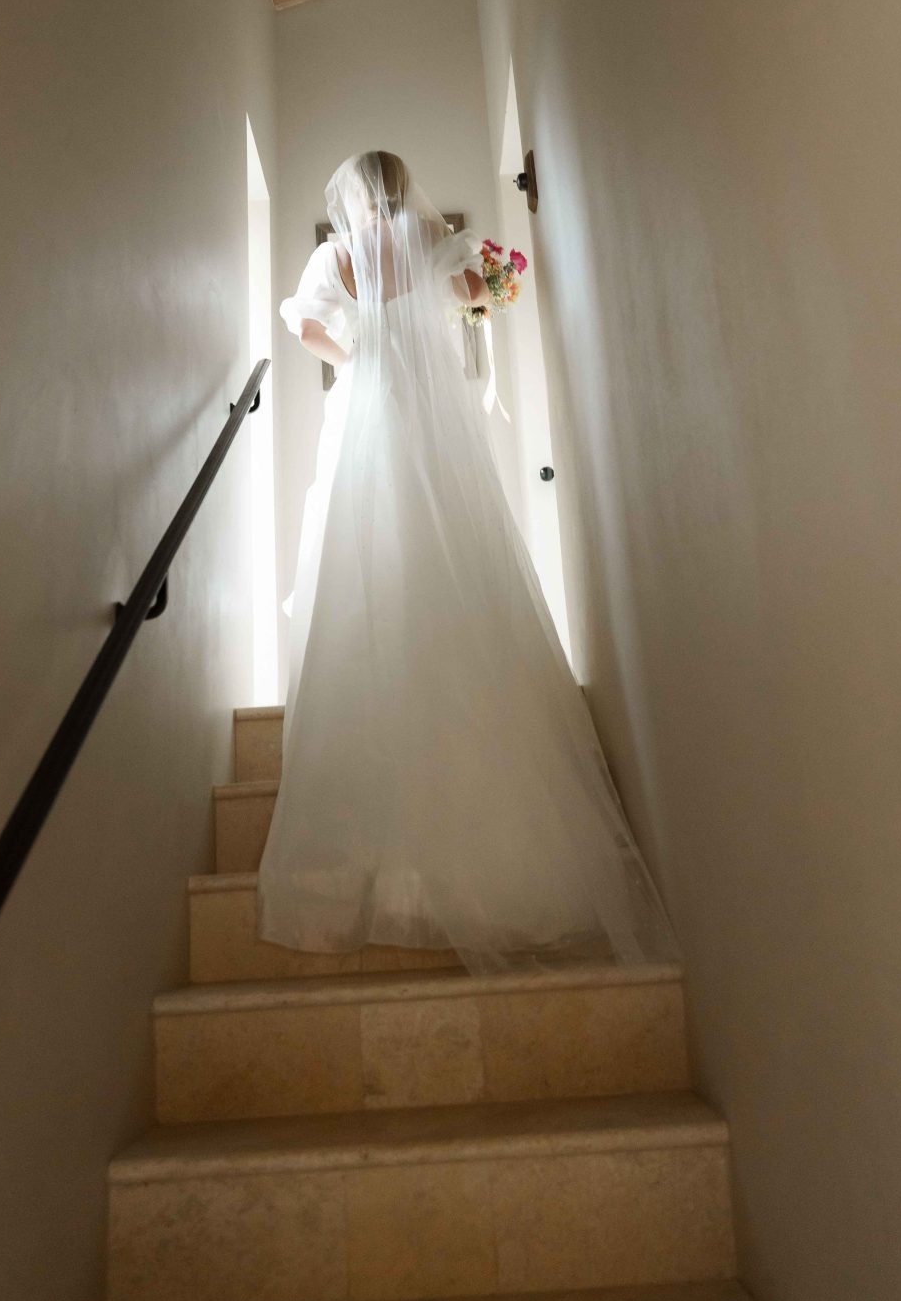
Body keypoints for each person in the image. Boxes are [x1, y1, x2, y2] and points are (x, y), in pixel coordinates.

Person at [256, 150, 676, 973]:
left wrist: (356, 355)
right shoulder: (426, 237)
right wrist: (476, 293)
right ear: (401, 186)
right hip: (431, 414)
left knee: (368, 551)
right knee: (455, 540)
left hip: (367, 412)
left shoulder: (335, 255)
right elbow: (477, 291)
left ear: (350, 197)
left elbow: (304, 327)